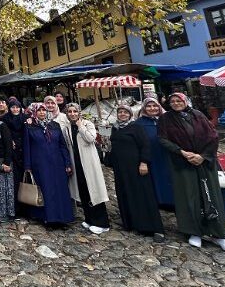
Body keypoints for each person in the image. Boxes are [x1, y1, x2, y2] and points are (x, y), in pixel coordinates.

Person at [158, 93, 225, 252]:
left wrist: (203, 156)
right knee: (188, 197)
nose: (176, 103)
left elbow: (213, 136)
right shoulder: (166, 119)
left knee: (211, 195)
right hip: (182, 162)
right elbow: (163, 139)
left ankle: (219, 234)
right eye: (172, 101)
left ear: (185, 101)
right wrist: (182, 152)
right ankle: (194, 232)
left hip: (204, 162)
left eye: (178, 100)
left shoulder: (198, 115)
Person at [106, 104, 165, 242]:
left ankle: (152, 226)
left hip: (136, 166)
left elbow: (145, 145)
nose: (122, 114)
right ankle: (131, 222)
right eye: (120, 112)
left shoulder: (136, 127)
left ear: (130, 114)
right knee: (125, 193)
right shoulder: (115, 128)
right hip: (121, 168)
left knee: (142, 194)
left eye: (125, 112)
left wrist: (144, 162)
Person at [61, 103, 110, 234]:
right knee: (83, 191)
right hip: (76, 163)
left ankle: (102, 222)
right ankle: (89, 219)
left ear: (79, 112)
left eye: (75, 111)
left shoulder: (87, 124)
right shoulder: (66, 128)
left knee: (94, 192)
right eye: (70, 112)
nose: (72, 114)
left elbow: (90, 138)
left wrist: (80, 126)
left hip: (88, 163)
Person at [23, 103, 73, 226]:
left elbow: (62, 145)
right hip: (40, 164)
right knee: (45, 191)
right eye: (39, 110)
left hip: (57, 164)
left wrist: (67, 162)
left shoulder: (54, 125)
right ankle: (48, 218)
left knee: (60, 190)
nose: (41, 113)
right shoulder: (30, 127)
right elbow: (27, 147)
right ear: (34, 112)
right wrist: (27, 166)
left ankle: (62, 217)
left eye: (43, 110)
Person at [135, 98, 175, 210]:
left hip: (168, 154)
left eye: (155, 106)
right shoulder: (139, 123)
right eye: (149, 106)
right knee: (155, 178)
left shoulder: (167, 119)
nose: (152, 108)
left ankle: (172, 201)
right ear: (144, 108)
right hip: (152, 156)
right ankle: (159, 201)